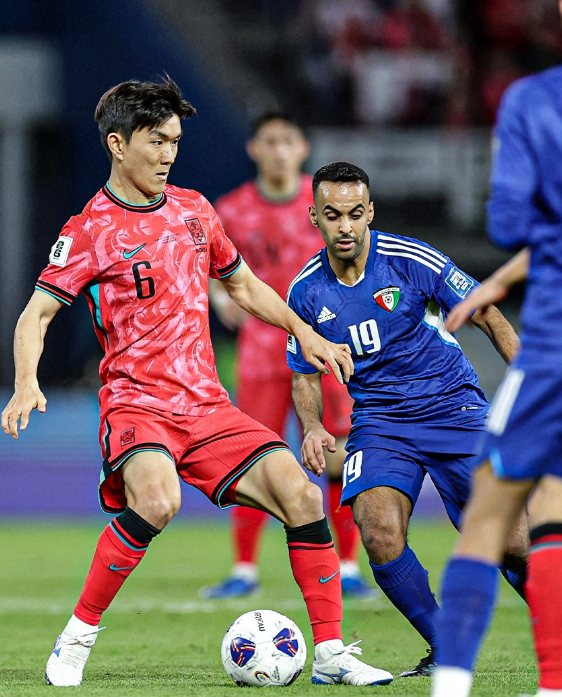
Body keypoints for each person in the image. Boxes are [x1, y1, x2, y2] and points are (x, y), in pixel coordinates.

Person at [0, 77, 394, 688]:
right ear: (116, 144)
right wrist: (27, 381)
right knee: (158, 502)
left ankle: (334, 655)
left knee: (304, 496)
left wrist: (304, 331)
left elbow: (241, 285)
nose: (168, 154)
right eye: (156, 141)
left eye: (175, 141)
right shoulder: (89, 230)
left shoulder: (194, 210)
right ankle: (78, 634)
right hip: (137, 403)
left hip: (208, 406)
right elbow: (37, 313)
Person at [285, 161, 530, 678]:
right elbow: (304, 373)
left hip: (453, 407)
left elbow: (486, 312)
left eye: (355, 213)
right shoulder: (305, 291)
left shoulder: (410, 259)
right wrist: (311, 425)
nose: (346, 226)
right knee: (378, 533)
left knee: (512, 542)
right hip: (379, 422)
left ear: (370, 211)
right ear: (315, 217)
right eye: (333, 215)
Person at [431, 22, 562, 697]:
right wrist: (503, 280)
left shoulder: (534, 101)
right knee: (553, 512)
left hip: (555, 346)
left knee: (491, 511)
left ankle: (451, 685)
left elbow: (513, 221)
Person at [202, 112, 372, 600]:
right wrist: (218, 297)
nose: (279, 150)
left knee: (337, 455)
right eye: (270, 141)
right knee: (252, 457)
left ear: (302, 148)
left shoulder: (323, 206)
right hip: (261, 353)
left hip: (327, 349)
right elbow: (212, 270)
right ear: (254, 148)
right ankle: (245, 568)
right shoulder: (230, 210)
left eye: (288, 141)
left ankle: (348, 565)